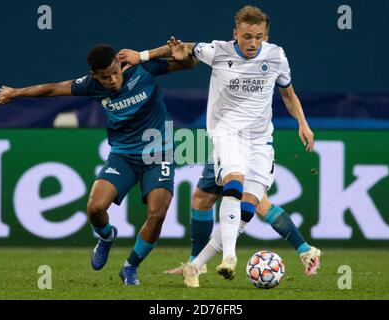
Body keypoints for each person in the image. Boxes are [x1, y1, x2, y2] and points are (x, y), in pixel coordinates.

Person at [119, 5, 321, 288]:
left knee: (246, 210)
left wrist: (303, 123)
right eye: (247, 36)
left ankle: (195, 265)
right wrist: (141, 56)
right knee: (232, 184)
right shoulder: (218, 51)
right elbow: (183, 47)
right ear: (235, 33)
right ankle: (229, 258)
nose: (252, 43)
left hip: (261, 141)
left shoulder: (276, 56)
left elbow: (288, 94)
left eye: (259, 37)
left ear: (266, 35)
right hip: (227, 135)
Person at [0, 42, 195, 286]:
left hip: (159, 153)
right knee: (95, 208)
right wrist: (16, 92)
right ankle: (107, 237)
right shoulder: (90, 86)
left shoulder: (143, 69)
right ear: (93, 76)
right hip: (123, 155)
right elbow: (52, 89)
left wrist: (154, 54)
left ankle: (130, 267)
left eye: (115, 73)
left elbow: (190, 60)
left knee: (157, 213)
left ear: (120, 64)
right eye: (104, 77)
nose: (111, 80)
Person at [164, 163, 321, 280]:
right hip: (226, 142)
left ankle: (201, 264)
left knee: (252, 203)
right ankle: (305, 250)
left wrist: (302, 121)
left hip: (247, 144)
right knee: (202, 199)